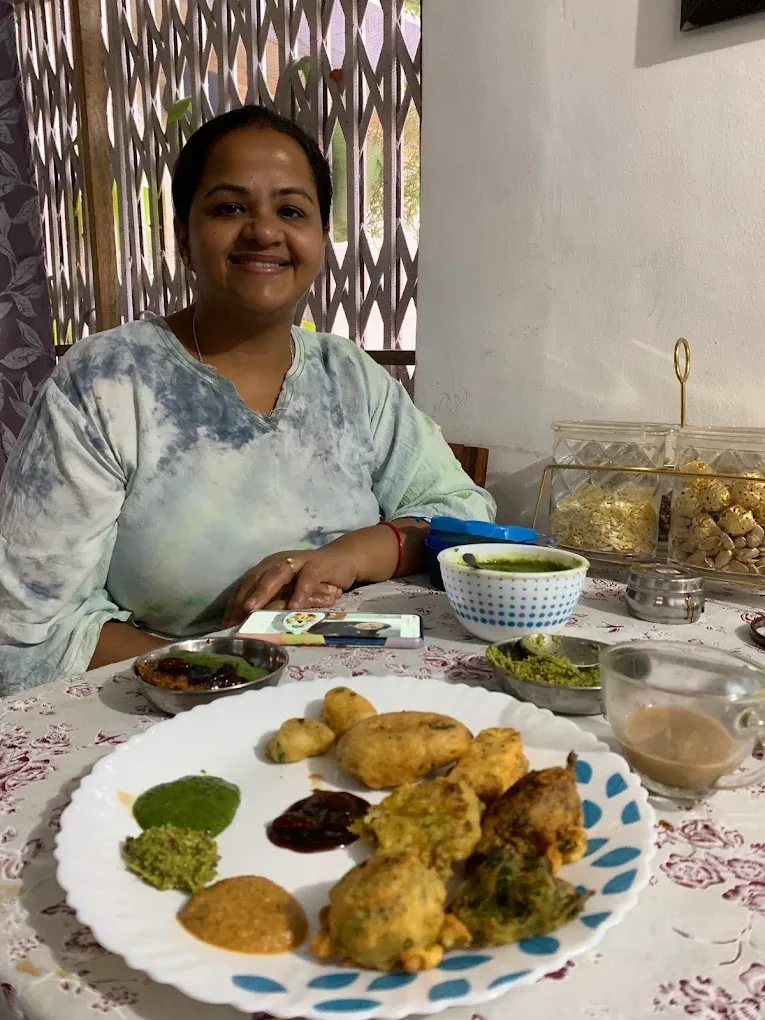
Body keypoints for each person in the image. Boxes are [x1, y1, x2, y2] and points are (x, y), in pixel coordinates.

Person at [0, 105, 495, 692]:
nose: (263, 231)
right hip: (165, 703)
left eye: (291, 210)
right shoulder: (107, 382)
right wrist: (230, 671)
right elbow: (28, 629)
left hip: (352, 684)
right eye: (229, 207)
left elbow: (464, 516)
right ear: (183, 235)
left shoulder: (350, 377)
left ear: (318, 238)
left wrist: (348, 555)